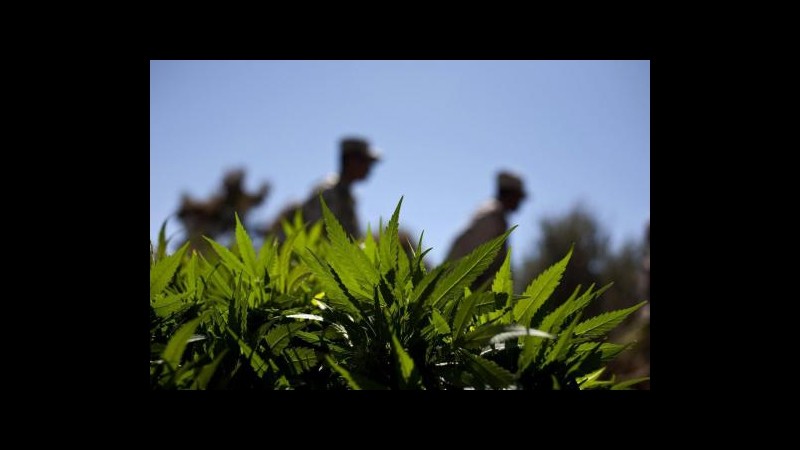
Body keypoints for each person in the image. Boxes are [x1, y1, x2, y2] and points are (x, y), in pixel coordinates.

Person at [269, 137, 381, 240]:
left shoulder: (347, 196)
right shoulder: (328, 191)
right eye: (366, 162)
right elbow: (317, 234)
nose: (369, 168)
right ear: (351, 162)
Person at [445, 171, 528, 290]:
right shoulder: (492, 215)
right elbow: (472, 258)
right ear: (510, 194)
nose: (520, 203)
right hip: (459, 286)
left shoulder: (495, 213)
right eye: (518, 197)